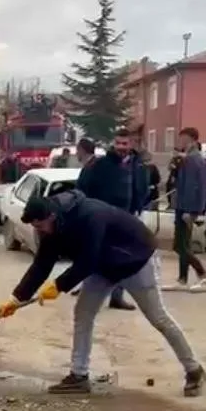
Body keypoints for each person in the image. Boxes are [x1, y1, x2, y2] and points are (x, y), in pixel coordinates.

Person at [0, 189, 206, 397]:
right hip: (104, 266)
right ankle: (79, 376)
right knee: (83, 314)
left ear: (51, 216)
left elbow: (88, 260)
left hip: (136, 261)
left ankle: (194, 370)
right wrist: (16, 299)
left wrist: (59, 285)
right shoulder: (51, 227)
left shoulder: (90, 216)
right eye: (35, 227)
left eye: (40, 226)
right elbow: (41, 264)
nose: (39, 231)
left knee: (158, 318)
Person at [73, 128, 148, 311]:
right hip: (104, 218)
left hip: (128, 218)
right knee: (98, 255)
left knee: (123, 257)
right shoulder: (101, 165)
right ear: (113, 144)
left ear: (131, 144)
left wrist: (139, 206)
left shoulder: (137, 164)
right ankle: (90, 296)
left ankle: (117, 297)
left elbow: (142, 186)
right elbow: (84, 189)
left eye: (125, 143)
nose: (121, 147)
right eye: (118, 143)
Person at [173, 127, 206, 290]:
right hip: (181, 205)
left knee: (181, 245)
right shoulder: (186, 158)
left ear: (192, 140)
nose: (180, 142)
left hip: (188, 208)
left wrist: (194, 211)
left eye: (183, 139)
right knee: (182, 244)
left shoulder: (196, 159)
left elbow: (199, 187)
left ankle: (203, 275)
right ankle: (182, 279)